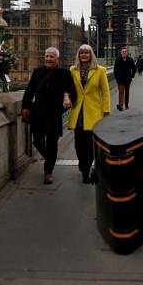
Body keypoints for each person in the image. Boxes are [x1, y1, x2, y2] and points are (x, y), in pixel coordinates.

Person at [21, 47, 76, 185]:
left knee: (52, 143)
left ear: (57, 59)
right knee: (37, 141)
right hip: (38, 113)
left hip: (54, 113)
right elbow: (29, 91)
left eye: (51, 57)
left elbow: (72, 92)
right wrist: (25, 107)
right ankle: (50, 159)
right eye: (47, 56)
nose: (48, 59)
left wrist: (69, 100)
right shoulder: (38, 72)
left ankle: (48, 172)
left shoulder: (65, 73)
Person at [67, 44, 110, 183]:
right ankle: (82, 164)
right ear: (78, 55)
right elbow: (68, 88)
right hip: (78, 110)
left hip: (93, 111)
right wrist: (66, 97)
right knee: (78, 144)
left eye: (86, 53)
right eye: (81, 53)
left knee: (90, 144)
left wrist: (106, 110)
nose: (84, 55)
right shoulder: (73, 70)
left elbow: (105, 92)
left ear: (91, 55)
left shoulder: (100, 70)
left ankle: (86, 170)